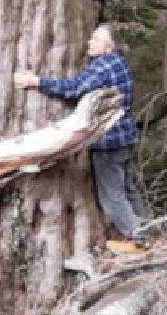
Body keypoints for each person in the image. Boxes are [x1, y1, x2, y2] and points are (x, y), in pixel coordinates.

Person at [14, 24, 149, 255]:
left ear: (108, 47)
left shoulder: (103, 66)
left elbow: (74, 88)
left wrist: (37, 82)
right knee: (129, 190)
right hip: (125, 136)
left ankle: (139, 239)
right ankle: (151, 229)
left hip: (109, 141)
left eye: (96, 39)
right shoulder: (119, 62)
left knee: (112, 198)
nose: (89, 42)